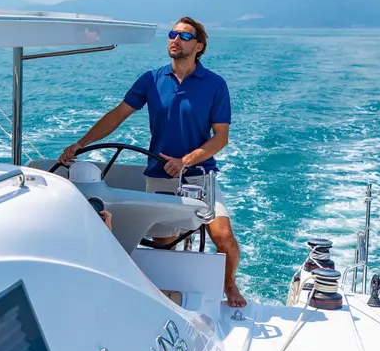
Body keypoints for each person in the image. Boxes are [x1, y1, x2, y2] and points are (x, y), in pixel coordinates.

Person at [59, 17, 246, 308]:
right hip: (159, 175)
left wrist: (185, 161)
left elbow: (221, 137)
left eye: (184, 36)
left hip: (199, 174)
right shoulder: (151, 79)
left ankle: (230, 284)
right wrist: (81, 144)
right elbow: (117, 115)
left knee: (223, 238)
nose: (175, 39)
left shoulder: (215, 85)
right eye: (172, 34)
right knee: (163, 247)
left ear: (199, 46)